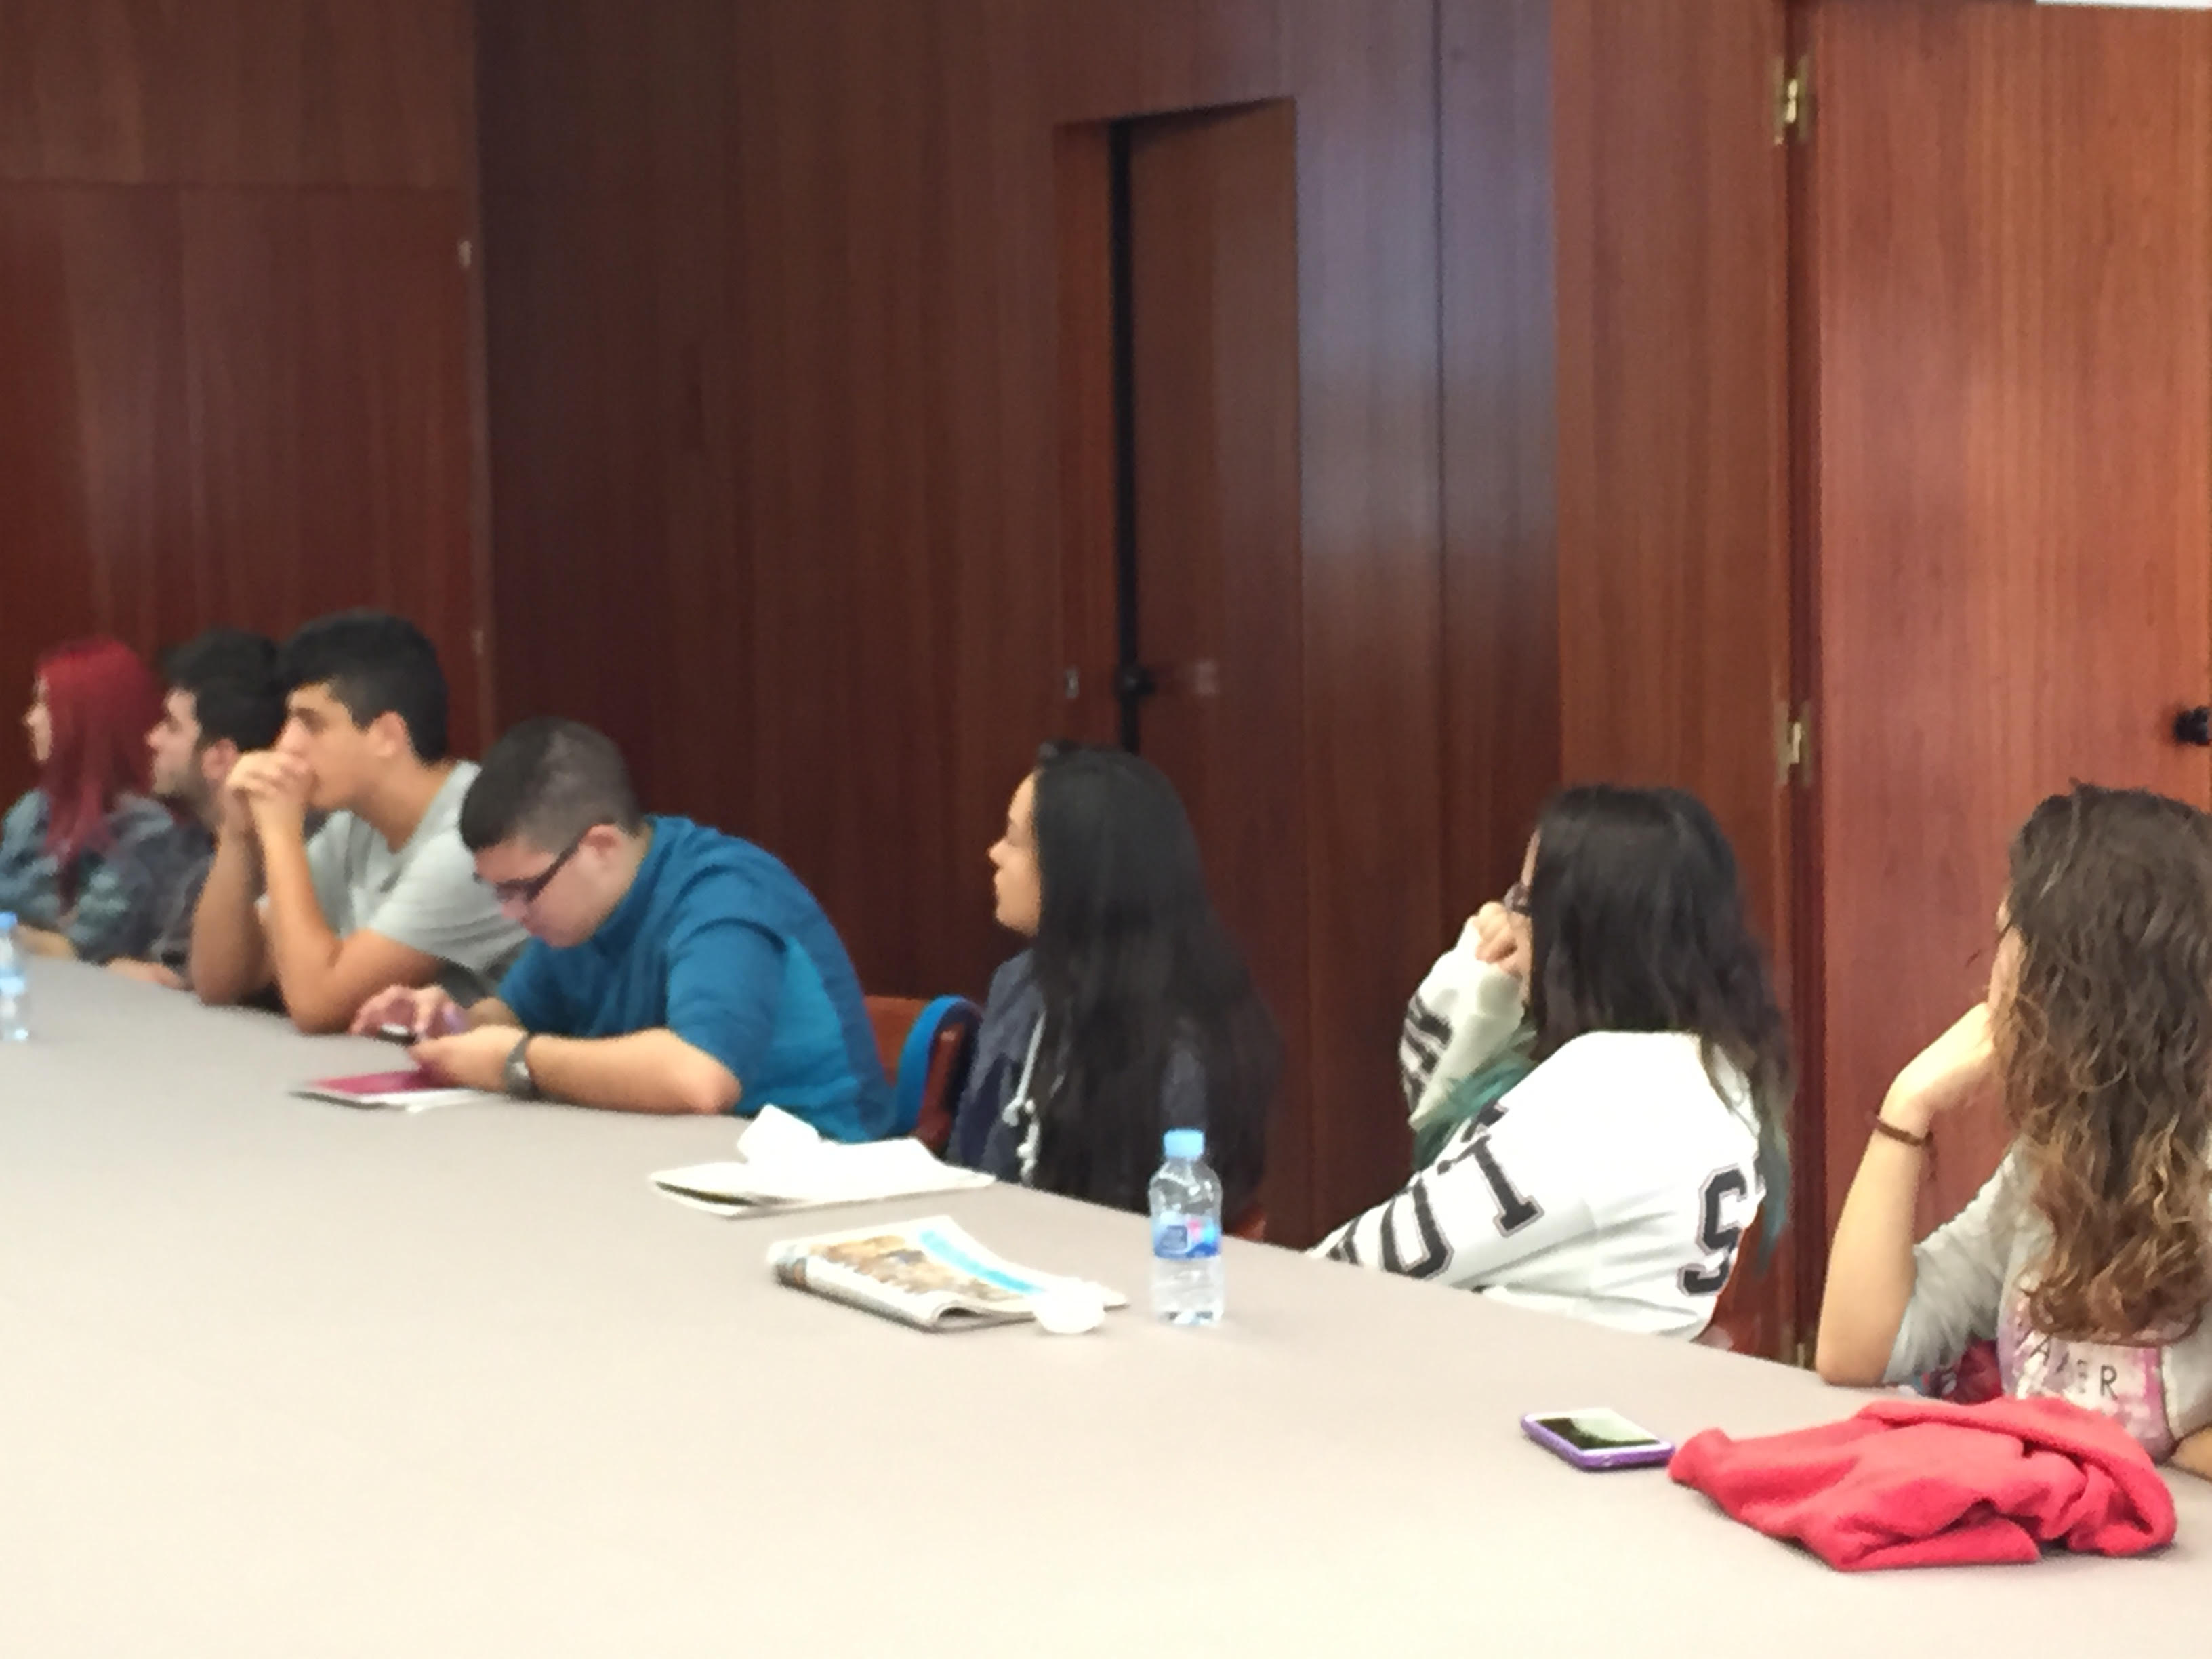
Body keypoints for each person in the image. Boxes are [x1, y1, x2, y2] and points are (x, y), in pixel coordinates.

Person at [1816, 785, 2212, 1474]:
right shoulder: (2052, 1159)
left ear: (2080, 980)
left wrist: (2174, 1458)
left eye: (2009, 937)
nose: (1995, 971)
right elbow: (1857, 1350)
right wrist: (1906, 1107)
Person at [1311, 785, 1793, 1339]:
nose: (1508, 918)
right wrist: (1480, 979)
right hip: (1607, 1372)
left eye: (1525, 900)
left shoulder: (1608, 1095)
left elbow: (1369, 1261)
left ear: (1579, 933)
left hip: (1513, 1377)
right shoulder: (1715, 1069)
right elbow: (1436, 1125)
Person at [350, 718, 893, 1134]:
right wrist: (452, 1023)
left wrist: (514, 1060)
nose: (510, 913)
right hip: (669, 1160)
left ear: (600, 847)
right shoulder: (576, 910)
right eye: (496, 890)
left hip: (817, 1175)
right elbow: (512, 1017)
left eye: (522, 890)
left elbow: (700, 1077)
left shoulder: (723, 893)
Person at [945, 743, 1277, 1220]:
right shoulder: (1018, 985)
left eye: (1014, 841)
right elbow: (970, 1170)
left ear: (1075, 872)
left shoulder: (1180, 1054)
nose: (993, 853)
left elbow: (1171, 1232)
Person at [190, 611, 527, 1032]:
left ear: (387, 735)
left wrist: (279, 832)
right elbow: (219, 981)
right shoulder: (356, 824)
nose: (285, 746)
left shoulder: (470, 836)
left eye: (311, 724)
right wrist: (238, 836)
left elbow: (317, 1005)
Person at [0, 638, 201, 966]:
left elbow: (85, 950)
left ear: (88, 718)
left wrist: (13, 934)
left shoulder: (147, 831)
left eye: (44, 704)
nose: (30, 719)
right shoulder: (30, 810)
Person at [106, 630, 286, 989]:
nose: (152, 739)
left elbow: (171, 983)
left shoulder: (285, 856)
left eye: (171, 727)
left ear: (219, 758)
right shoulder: (181, 842)